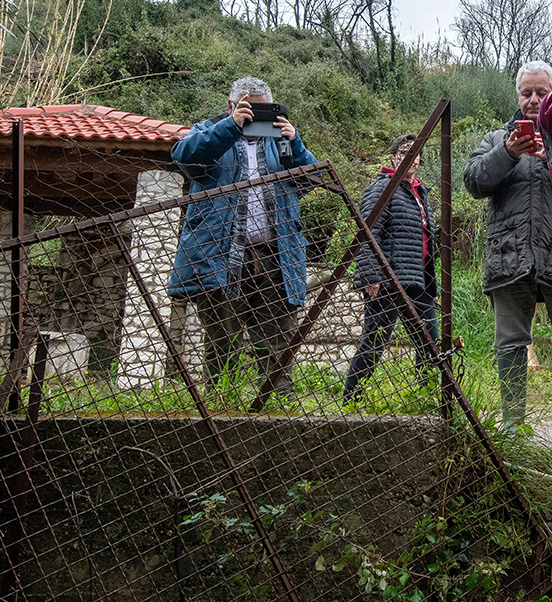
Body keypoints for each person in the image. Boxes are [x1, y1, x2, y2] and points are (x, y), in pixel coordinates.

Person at [464, 60, 552, 442]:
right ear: (517, 95)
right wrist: (508, 152)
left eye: (541, 92)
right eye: (526, 93)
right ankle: (513, 427)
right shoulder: (495, 139)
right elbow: (473, 181)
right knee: (510, 342)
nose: (534, 100)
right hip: (510, 255)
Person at [167, 77, 318, 398]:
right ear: (231, 106)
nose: (256, 116)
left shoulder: (281, 143)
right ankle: (220, 405)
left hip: (275, 257)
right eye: (250, 107)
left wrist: (296, 145)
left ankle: (280, 408)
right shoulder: (209, 131)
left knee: (277, 341)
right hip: (219, 257)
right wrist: (230, 127)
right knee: (224, 343)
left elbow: (311, 181)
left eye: (263, 108)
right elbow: (184, 157)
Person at [343, 134, 440, 402]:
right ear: (393, 156)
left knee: (429, 343)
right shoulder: (381, 188)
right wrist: (371, 276)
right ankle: (351, 398)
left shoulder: (420, 192)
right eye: (406, 151)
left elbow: (426, 244)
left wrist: (431, 286)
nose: (413, 157)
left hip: (417, 282)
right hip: (386, 281)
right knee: (375, 342)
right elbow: (367, 234)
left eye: (417, 152)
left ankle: (427, 396)